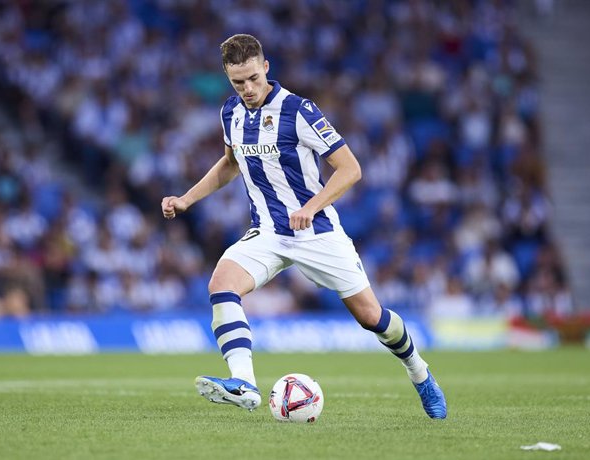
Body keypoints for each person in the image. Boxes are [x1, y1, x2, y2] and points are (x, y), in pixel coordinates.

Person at [161, 34, 447, 419]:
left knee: (371, 317)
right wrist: (186, 199)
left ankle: (420, 372)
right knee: (221, 284)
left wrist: (311, 207)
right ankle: (244, 383)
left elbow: (351, 168)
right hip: (268, 231)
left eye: (251, 79)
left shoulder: (298, 110)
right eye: (237, 82)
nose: (246, 89)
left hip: (317, 232)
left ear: (266, 67)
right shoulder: (231, 112)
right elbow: (230, 163)